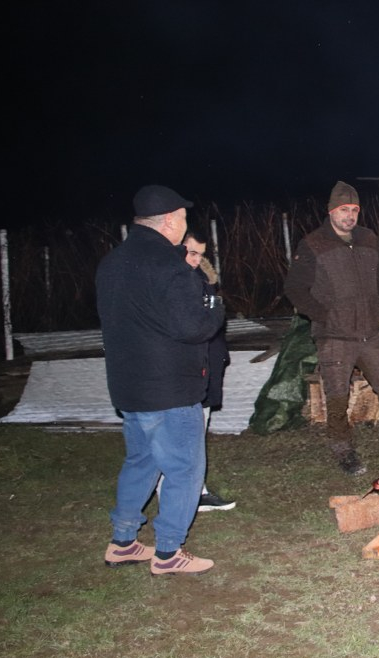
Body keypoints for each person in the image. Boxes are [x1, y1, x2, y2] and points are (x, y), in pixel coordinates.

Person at [97, 185, 225, 575]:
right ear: (170, 220)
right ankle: (168, 552)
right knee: (184, 469)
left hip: (129, 387)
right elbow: (193, 327)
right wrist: (215, 307)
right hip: (171, 388)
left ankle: (123, 542)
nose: (185, 224)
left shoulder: (112, 263)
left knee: (142, 462)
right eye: (183, 218)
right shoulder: (170, 264)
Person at [284, 181, 379, 475]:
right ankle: (343, 450)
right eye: (344, 210)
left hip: (369, 332)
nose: (350, 216)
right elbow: (294, 288)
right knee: (336, 396)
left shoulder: (368, 238)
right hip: (334, 336)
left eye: (354, 210)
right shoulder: (314, 244)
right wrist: (322, 314)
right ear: (331, 211)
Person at [181, 230, 236, 512]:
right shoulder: (177, 281)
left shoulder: (204, 280)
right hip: (188, 368)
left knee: (199, 428)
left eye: (201, 254)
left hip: (208, 362)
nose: (196, 259)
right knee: (185, 433)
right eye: (191, 252)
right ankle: (189, 494)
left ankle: (197, 491)